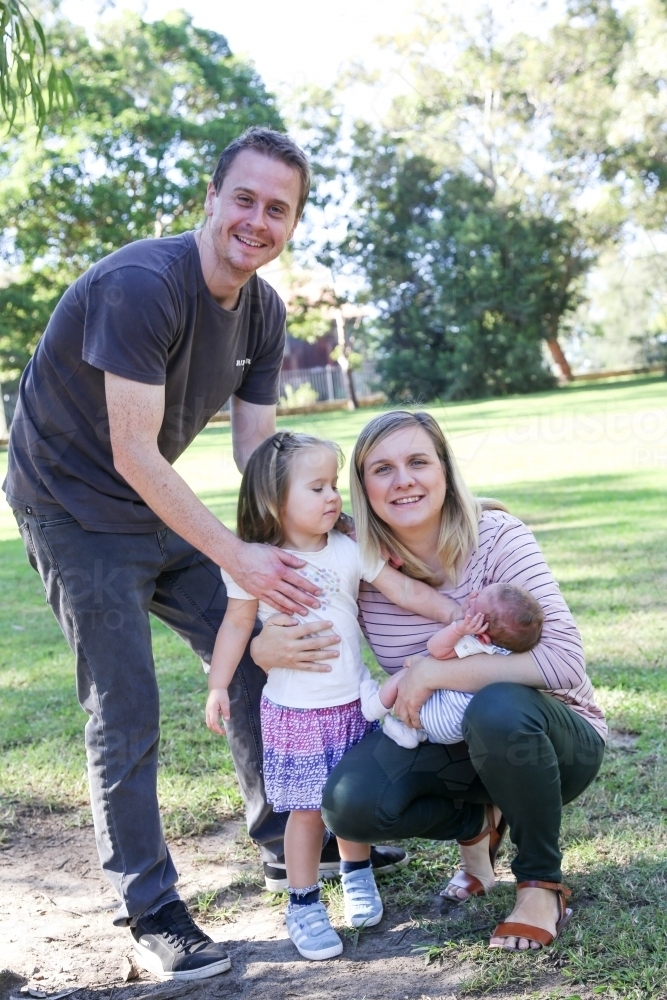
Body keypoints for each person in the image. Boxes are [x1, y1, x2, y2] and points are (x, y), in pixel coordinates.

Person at [2, 127, 406, 981]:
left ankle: (284, 835)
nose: (257, 220)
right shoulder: (143, 286)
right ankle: (150, 907)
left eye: (279, 209)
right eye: (246, 199)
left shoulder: (262, 309)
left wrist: (298, 537)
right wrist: (240, 559)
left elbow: (256, 452)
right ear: (212, 198)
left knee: (263, 654)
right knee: (126, 703)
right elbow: (134, 452)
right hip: (72, 504)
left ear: (292, 223)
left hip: (153, 496)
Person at [251, 410, 606, 953]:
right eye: (382, 469)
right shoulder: (357, 561)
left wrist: (434, 670)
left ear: (444, 469)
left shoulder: (498, 536)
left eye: (418, 462)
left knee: (499, 707)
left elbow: (562, 663)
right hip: (445, 739)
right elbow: (269, 612)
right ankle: (479, 821)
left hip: (550, 743)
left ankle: (539, 884)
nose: (404, 480)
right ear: (361, 487)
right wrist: (260, 645)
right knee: (349, 805)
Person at [205, 430, 462, 960]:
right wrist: (218, 685)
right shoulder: (254, 562)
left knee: (349, 804)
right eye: (317, 487)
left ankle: (357, 873)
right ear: (274, 501)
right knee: (305, 812)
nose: (333, 497)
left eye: (333, 486)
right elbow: (235, 626)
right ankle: (302, 904)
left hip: (354, 700)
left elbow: (404, 589)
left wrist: (456, 614)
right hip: (296, 714)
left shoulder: (349, 549)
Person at [360, 583, 544, 748]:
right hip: (458, 728)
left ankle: (373, 707)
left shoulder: (474, 643)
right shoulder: (506, 653)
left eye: (474, 604)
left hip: (442, 716)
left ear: (482, 635)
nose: (472, 597)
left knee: (411, 670)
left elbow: (435, 649)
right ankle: (415, 734)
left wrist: (458, 629)